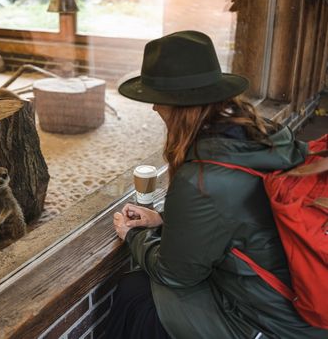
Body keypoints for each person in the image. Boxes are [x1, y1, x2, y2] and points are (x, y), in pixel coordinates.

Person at [105, 31, 328, 339]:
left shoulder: (201, 179)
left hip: (272, 322)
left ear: (178, 106)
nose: (155, 109)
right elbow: (242, 219)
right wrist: (165, 220)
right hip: (302, 305)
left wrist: (135, 236)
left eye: (157, 100)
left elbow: (176, 275)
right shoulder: (265, 135)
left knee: (138, 292)